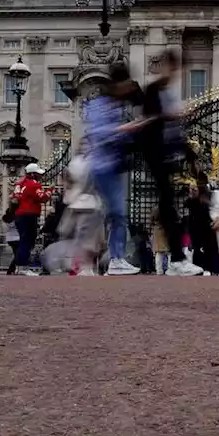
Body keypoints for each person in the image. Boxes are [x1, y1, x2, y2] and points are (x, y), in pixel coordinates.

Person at [137, 49, 205, 276]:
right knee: (168, 207)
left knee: (168, 207)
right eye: (173, 68)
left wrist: (190, 157)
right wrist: (175, 115)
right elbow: (151, 118)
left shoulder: (168, 93)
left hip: (166, 156)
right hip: (155, 154)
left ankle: (177, 258)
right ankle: (177, 259)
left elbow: (176, 132)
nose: (175, 73)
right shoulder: (153, 90)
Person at [85, 62, 141, 276]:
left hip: (112, 166)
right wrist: (127, 128)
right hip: (102, 166)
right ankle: (115, 258)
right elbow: (99, 134)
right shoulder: (99, 104)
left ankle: (113, 257)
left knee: (114, 214)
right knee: (116, 213)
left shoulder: (116, 106)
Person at [8, 162, 53, 276]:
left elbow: (14, 197)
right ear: (32, 174)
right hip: (29, 215)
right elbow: (43, 198)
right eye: (38, 174)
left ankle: (18, 267)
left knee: (24, 241)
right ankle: (22, 267)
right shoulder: (33, 184)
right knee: (27, 241)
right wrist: (50, 191)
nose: (40, 176)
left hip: (20, 215)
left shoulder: (20, 184)